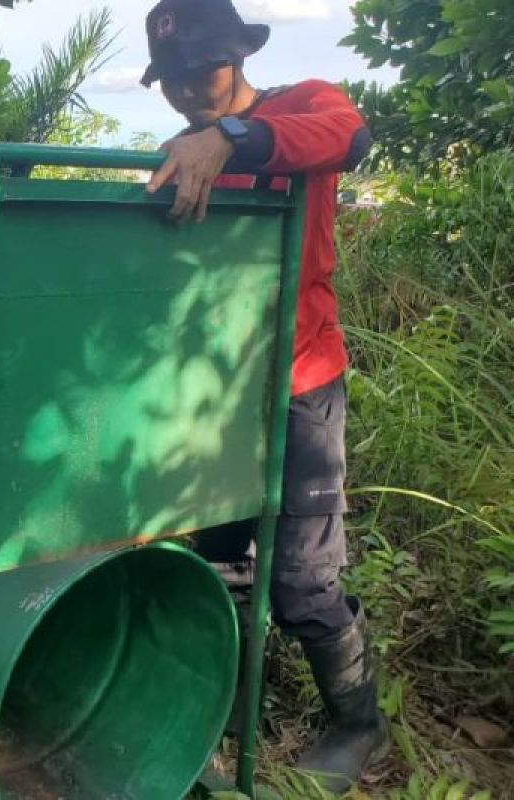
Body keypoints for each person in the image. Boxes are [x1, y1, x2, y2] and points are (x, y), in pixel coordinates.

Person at [138, 0, 385, 791]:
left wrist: (235, 136)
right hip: (215, 392)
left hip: (300, 382)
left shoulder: (300, 105)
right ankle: (230, 698)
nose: (186, 89)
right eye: (171, 77)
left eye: (200, 69)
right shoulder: (181, 152)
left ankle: (359, 723)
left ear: (240, 54)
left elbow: (350, 135)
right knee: (218, 557)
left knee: (304, 581)